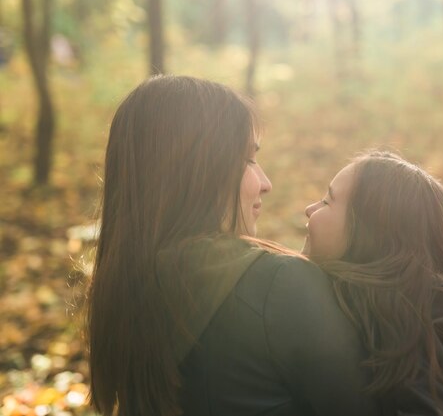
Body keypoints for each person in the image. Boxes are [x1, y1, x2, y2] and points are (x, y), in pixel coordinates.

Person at [86, 75, 380, 416]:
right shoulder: (280, 287)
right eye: (249, 160)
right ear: (198, 171)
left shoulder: (126, 293)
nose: (265, 183)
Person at [303, 151, 443, 416]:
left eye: (327, 201)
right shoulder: (380, 305)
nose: (310, 209)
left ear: (371, 232)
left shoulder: (421, 307)